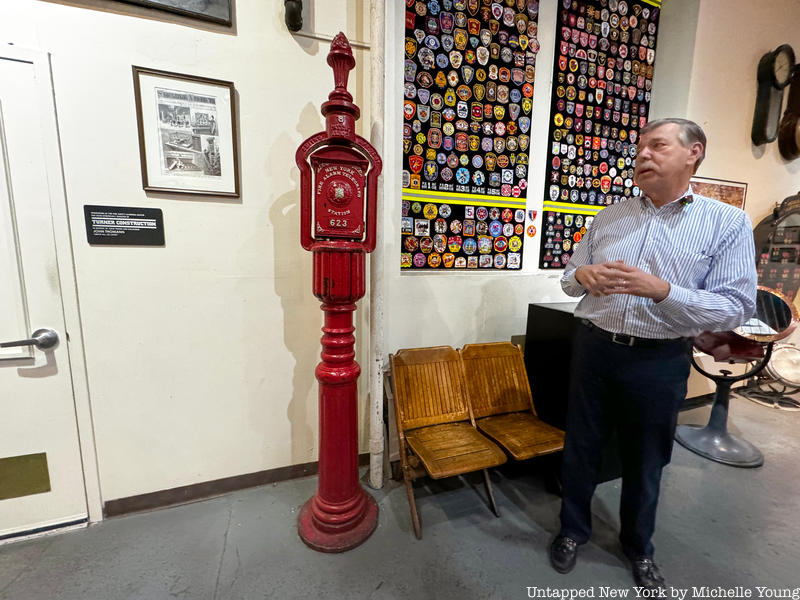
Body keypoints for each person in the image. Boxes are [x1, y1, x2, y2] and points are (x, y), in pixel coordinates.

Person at [550, 118, 757, 589]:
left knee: (646, 458)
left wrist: (664, 291)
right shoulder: (610, 215)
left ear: (693, 153)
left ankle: (638, 547)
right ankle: (572, 530)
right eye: (639, 147)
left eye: (657, 146)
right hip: (595, 347)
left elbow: (736, 306)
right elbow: (569, 274)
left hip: (659, 359)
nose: (642, 155)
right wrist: (583, 277)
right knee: (580, 446)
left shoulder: (725, 223)